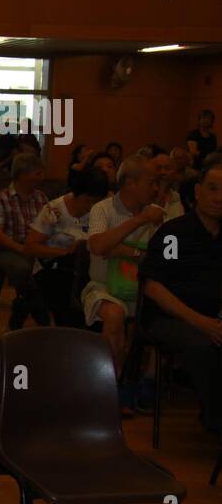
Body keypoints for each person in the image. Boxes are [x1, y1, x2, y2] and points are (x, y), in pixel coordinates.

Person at [139, 160, 222, 435]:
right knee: (202, 344)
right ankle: (215, 422)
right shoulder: (175, 235)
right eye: (212, 188)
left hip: (214, 319)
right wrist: (201, 322)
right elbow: (154, 286)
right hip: (171, 317)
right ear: (197, 192)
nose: (218, 196)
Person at [83, 156, 166, 398]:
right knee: (115, 315)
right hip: (103, 287)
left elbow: (165, 257)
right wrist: (138, 222)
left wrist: (119, 248)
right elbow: (98, 246)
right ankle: (109, 385)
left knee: (166, 313)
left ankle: (146, 381)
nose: (156, 189)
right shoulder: (103, 209)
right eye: (151, 182)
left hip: (144, 289)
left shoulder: (157, 215)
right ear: (131, 183)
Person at [21, 167, 109, 327]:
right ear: (78, 193)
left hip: (86, 272)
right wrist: (64, 252)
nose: (92, 206)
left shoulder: (101, 212)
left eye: (96, 201)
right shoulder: (54, 210)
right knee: (68, 296)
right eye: (88, 200)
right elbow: (30, 247)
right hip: (53, 270)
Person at [0, 152, 51, 330]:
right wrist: (21, 248)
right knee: (21, 268)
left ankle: (21, 308)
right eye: (37, 173)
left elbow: (50, 228)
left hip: (35, 247)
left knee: (55, 267)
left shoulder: (41, 198)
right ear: (23, 174)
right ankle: (40, 312)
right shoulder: (1, 198)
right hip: (6, 249)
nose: (42, 178)